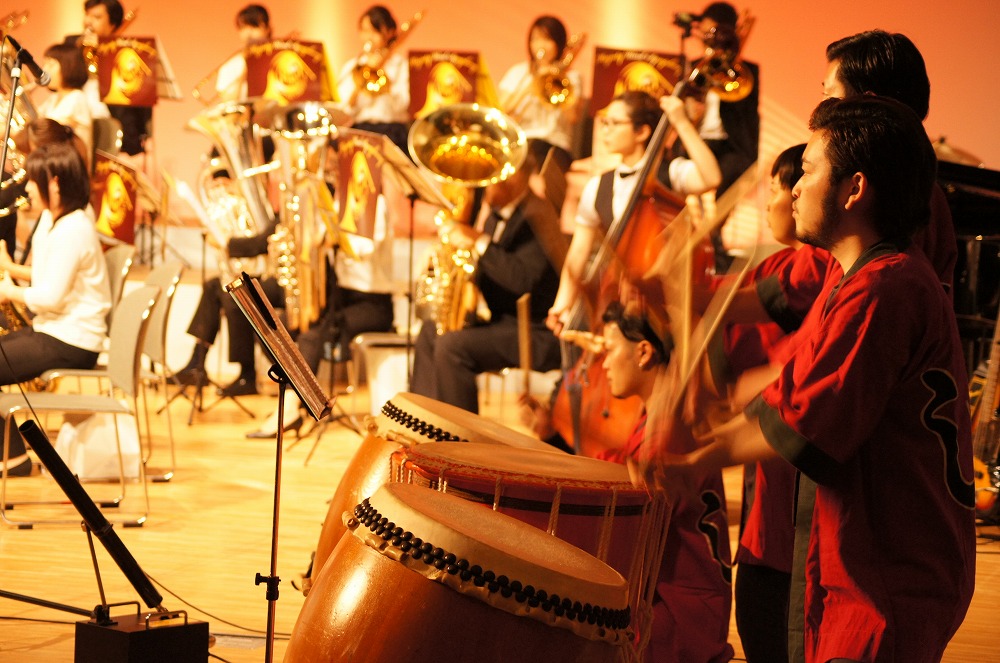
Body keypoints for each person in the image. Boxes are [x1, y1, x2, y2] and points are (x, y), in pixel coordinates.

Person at [666, 95, 976, 663]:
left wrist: (688, 460)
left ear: (854, 189)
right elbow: (792, 392)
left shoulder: (884, 288)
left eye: (806, 172)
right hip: (868, 564)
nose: (794, 190)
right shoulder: (855, 277)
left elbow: (800, 424)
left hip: (890, 576)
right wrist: (702, 433)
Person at [707, 144, 805, 663]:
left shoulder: (823, 269)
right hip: (767, 479)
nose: (770, 201)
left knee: (778, 620)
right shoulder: (779, 264)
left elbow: (794, 373)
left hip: (796, 475)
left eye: (776, 188)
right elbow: (724, 342)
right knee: (758, 611)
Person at [599, 299, 734, 662]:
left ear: (643, 352)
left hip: (677, 620)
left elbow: (630, 525)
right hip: (684, 610)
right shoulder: (659, 420)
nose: (604, 363)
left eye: (609, 350)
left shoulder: (668, 435)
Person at [547, 90, 721, 335]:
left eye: (614, 123)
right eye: (605, 122)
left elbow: (711, 177)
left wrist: (681, 122)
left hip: (667, 304)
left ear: (642, 132)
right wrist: (561, 305)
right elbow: (578, 254)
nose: (605, 130)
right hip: (620, 302)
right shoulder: (597, 186)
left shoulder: (670, 173)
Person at [410, 151, 562, 414]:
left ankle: (460, 434)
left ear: (515, 176)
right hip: (502, 322)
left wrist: (478, 241)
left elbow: (522, 281)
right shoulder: (495, 216)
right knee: (431, 330)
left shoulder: (538, 215)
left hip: (534, 330)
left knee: (452, 347)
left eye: (488, 176)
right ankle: (423, 421)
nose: (481, 183)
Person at [0, 141, 111, 478]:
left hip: (72, 341)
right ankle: (11, 455)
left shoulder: (74, 228)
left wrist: (8, 290)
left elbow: (51, 297)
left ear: (55, 183)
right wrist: (11, 272)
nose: (27, 189)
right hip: (55, 331)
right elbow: (48, 276)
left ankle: (13, 459)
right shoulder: (55, 220)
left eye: (34, 181)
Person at [666, 2, 760, 271]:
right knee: (676, 180)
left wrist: (728, 66)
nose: (708, 37)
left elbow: (748, 115)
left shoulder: (746, 69)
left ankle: (713, 250)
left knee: (721, 193)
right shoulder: (695, 66)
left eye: (714, 31)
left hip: (731, 145)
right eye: (706, 32)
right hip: (700, 142)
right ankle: (708, 252)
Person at [498, 15, 582, 174]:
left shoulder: (571, 77)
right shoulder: (518, 72)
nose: (540, 45)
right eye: (535, 39)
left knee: (533, 153)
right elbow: (500, 110)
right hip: (521, 141)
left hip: (555, 144)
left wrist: (556, 82)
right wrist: (532, 85)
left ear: (559, 43)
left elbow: (572, 117)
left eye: (547, 39)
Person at [337, 5, 411, 155]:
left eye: (374, 31)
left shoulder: (400, 65)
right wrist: (362, 81)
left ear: (389, 32)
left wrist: (384, 79)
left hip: (391, 130)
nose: (369, 37)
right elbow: (345, 108)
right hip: (361, 128)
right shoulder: (353, 66)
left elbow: (401, 106)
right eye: (364, 31)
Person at [80, 0, 150, 157]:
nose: (88, 22)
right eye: (87, 15)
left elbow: (139, 109)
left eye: (97, 17)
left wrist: (106, 51)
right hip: (80, 131)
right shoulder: (73, 46)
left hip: (116, 140)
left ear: (112, 24)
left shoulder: (127, 54)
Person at [34, 42, 93, 169]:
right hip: (52, 164)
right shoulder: (53, 98)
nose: (44, 70)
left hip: (70, 169)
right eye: (45, 64)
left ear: (68, 66)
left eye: (51, 65)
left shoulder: (77, 98)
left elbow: (48, 132)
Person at [215, 4, 273, 104]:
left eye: (254, 26)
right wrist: (246, 68)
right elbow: (228, 102)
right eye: (243, 27)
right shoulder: (231, 65)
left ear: (267, 29)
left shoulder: (279, 59)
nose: (248, 33)